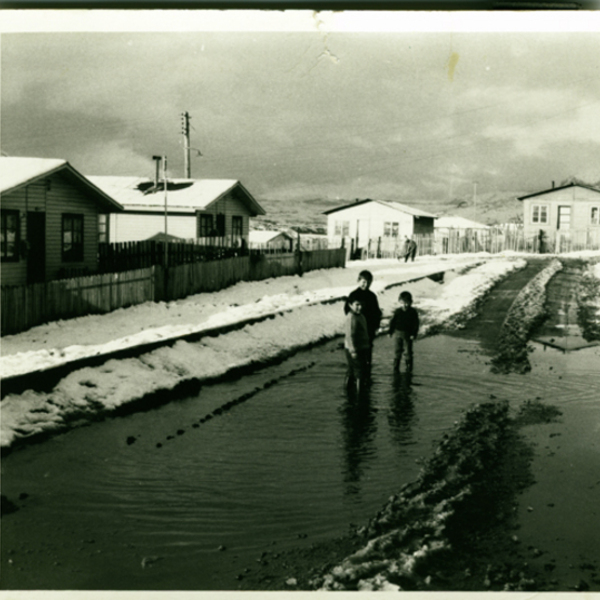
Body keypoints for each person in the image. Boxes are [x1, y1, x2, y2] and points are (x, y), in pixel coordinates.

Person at [344, 270, 382, 375]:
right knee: (355, 352)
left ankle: (366, 373)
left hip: (368, 328)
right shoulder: (354, 294)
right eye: (363, 282)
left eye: (369, 282)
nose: (366, 284)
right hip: (356, 328)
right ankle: (353, 375)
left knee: (367, 351)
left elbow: (377, 312)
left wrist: (376, 326)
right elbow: (347, 309)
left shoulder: (372, 296)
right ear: (358, 281)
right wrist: (353, 319)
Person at [388, 290, 419, 374]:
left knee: (408, 351)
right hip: (397, 333)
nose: (404, 305)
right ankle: (395, 368)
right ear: (399, 302)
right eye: (402, 303)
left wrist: (413, 334)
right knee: (397, 351)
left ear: (410, 303)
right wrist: (390, 331)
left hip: (408, 335)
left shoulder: (413, 312)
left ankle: (409, 369)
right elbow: (393, 322)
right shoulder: (398, 311)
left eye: (407, 303)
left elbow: (416, 324)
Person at [344, 298, 371, 395]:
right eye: (357, 304)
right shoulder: (351, 318)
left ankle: (348, 393)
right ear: (350, 305)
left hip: (362, 348)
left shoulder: (360, 316)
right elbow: (349, 335)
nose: (360, 307)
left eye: (362, 305)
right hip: (354, 349)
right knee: (359, 372)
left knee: (352, 370)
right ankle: (360, 397)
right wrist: (352, 350)